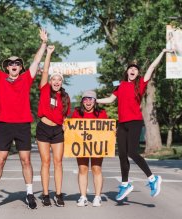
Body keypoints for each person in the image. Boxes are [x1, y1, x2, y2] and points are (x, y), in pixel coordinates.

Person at [0, 26, 48, 210]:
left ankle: (30, 194)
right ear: (7, 67)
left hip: (23, 124)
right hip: (5, 125)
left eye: (17, 62)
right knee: (0, 159)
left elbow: (36, 60)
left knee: (26, 160)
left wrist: (43, 43)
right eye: (10, 63)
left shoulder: (26, 78)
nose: (14, 64)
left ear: (20, 66)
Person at [97, 49, 172, 201]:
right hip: (122, 124)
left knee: (132, 152)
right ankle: (125, 184)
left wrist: (162, 52)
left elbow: (151, 67)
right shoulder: (120, 86)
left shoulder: (141, 84)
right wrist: (93, 101)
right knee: (122, 155)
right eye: (131, 68)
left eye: (136, 69)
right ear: (127, 71)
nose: (133, 70)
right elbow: (110, 100)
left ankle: (152, 178)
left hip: (134, 122)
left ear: (138, 74)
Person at [36, 45, 70, 207]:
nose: (56, 82)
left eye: (59, 80)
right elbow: (45, 70)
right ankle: (45, 194)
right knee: (46, 162)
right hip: (43, 128)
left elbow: (65, 116)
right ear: (50, 81)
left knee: (58, 162)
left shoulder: (65, 96)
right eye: (54, 79)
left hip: (57, 131)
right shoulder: (44, 90)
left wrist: (64, 125)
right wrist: (48, 53)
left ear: (62, 82)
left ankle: (58, 194)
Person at [71, 90, 108, 207]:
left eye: (91, 99)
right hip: (81, 145)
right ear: (82, 101)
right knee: (82, 169)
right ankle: (83, 197)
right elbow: (72, 129)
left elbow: (107, 130)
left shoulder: (102, 113)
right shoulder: (77, 112)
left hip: (97, 146)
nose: (88, 102)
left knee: (96, 169)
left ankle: (97, 197)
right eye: (85, 99)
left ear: (95, 101)